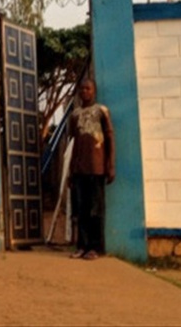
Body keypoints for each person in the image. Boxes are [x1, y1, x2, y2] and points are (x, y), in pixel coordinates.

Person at [69, 78, 115, 261]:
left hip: (97, 169)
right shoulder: (75, 115)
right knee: (81, 210)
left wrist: (110, 165)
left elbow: (110, 138)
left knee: (95, 210)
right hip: (80, 170)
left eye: (88, 88)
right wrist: (71, 170)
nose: (84, 91)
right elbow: (74, 143)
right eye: (82, 89)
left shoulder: (102, 111)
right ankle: (82, 246)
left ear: (94, 91)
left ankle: (95, 248)